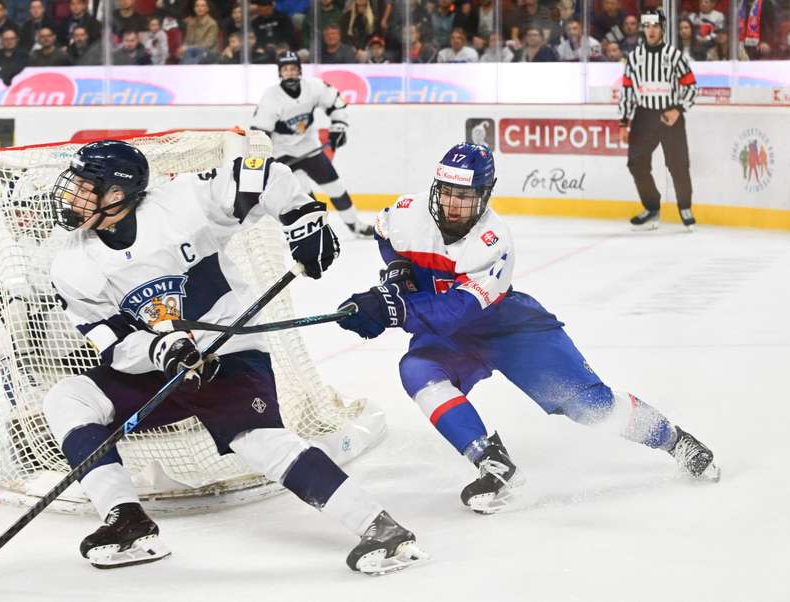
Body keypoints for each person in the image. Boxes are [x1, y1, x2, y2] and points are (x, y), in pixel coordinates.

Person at [42, 139, 426, 574]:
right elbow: (112, 342)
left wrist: (304, 218)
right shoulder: (71, 265)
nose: (71, 195)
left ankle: (379, 528)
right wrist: (160, 348)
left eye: (84, 186)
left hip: (230, 353)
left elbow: (259, 172)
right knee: (69, 397)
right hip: (158, 366)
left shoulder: (182, 203)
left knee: (259, 441)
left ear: (116, 194)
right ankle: (126, 519)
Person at [335, 143, 721, 514]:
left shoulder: (494, 241)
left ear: (485, 195)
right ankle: (494, 466)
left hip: (511, 330)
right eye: (447, 193)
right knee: (416, 370)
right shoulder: (407, 210)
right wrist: (397, 270)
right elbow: (384, 231)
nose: (453, 205)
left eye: (465, 197)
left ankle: (675, 441)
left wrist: (394, 307)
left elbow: (457, 311)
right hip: (448, 337)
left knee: (590, 407)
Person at [252, 51, 374, 236]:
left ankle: (355, 225)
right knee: (303, 195)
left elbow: (336, 102)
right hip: (282, 153)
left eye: (293, 68)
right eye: (285, 69)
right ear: (280, 73)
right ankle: (317, 232)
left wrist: (339, 126)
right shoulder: (271, 97)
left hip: (309, 147)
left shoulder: (313, 87)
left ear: (300, 70)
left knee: (336, 186)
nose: (290, 73)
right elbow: (260, 132)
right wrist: (264, 159)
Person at [619, 9, 697, 231]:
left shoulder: (674, 56)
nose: (651, 30)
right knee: (636, 163)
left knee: (678, 164)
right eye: (647, 26)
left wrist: (679, 109)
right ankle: (652, 207)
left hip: (669, 115)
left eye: (655, 26)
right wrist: (623, 121)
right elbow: (627, 91)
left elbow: (691, 86)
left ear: (662, 28)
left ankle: (685, 208)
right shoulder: (634, 58)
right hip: (644, 116)